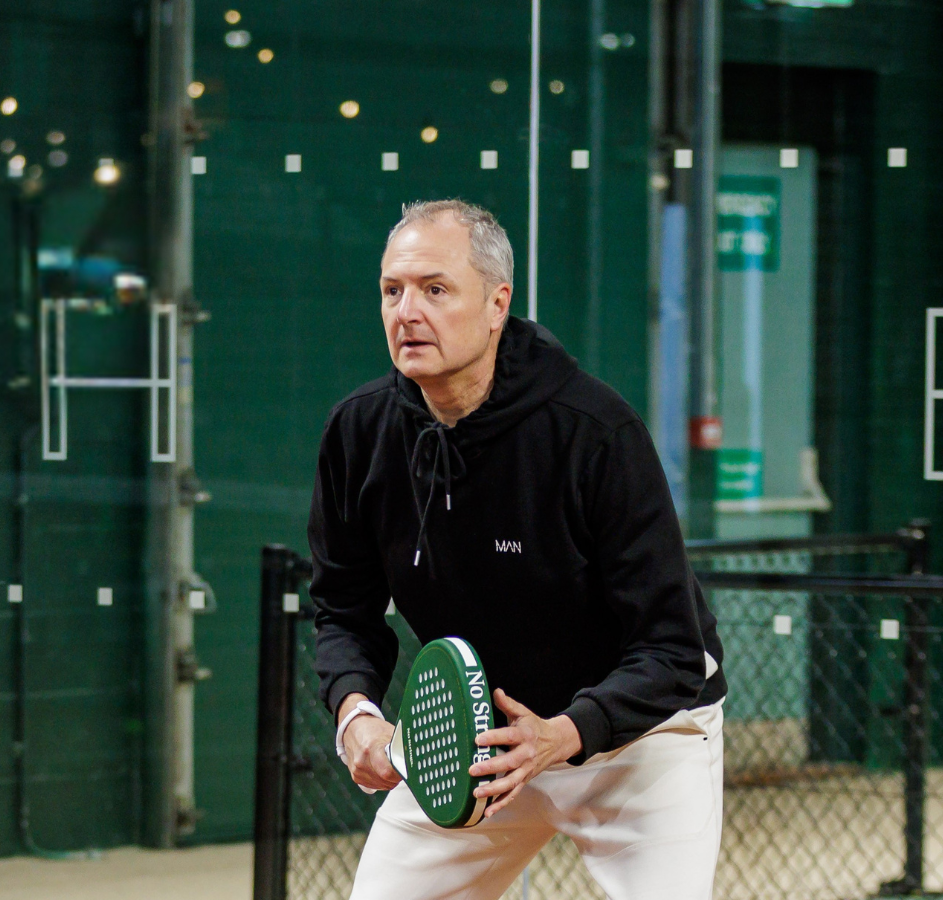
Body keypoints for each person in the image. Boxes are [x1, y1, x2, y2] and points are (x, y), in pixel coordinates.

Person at [310, 199, 727, 899]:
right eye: (393, 290)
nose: (407, 311)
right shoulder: (358, 432)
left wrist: (565, 733)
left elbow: (673, 650)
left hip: (639, 742)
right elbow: (343, 608)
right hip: (475, 743)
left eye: (435, 289)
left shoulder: (594, 432)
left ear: (497, 303)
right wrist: (354, 711)